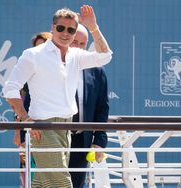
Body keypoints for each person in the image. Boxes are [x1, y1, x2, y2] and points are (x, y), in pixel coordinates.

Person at [3, 5, 112, 187]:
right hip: (42, 127)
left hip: (65, 126)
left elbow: (105, 56)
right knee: (61, 181)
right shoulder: (33, 55)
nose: (65, 33)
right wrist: (25, 119)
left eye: (71, 30)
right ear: (52, 27)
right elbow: (10, 89)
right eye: (61, 28)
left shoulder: (76, 55)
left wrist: (93, 28)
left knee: (44, 182)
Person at [68, 24, 109, 188]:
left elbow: (102, 108)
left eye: (82, 43)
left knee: (76, 184)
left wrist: (99, 140)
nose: (77, 47)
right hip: (54, 137)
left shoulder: (97, 70)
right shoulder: (51, 64)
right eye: (74, 42)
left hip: (81, 139)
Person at [13, 31, 52, 188]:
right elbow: (20, 105)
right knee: (29, 175)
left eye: (43, 47)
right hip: (29, 132)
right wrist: (19, 134)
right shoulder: (27, 74)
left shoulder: (61, 72)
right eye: (37, 48)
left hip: (54, 131)